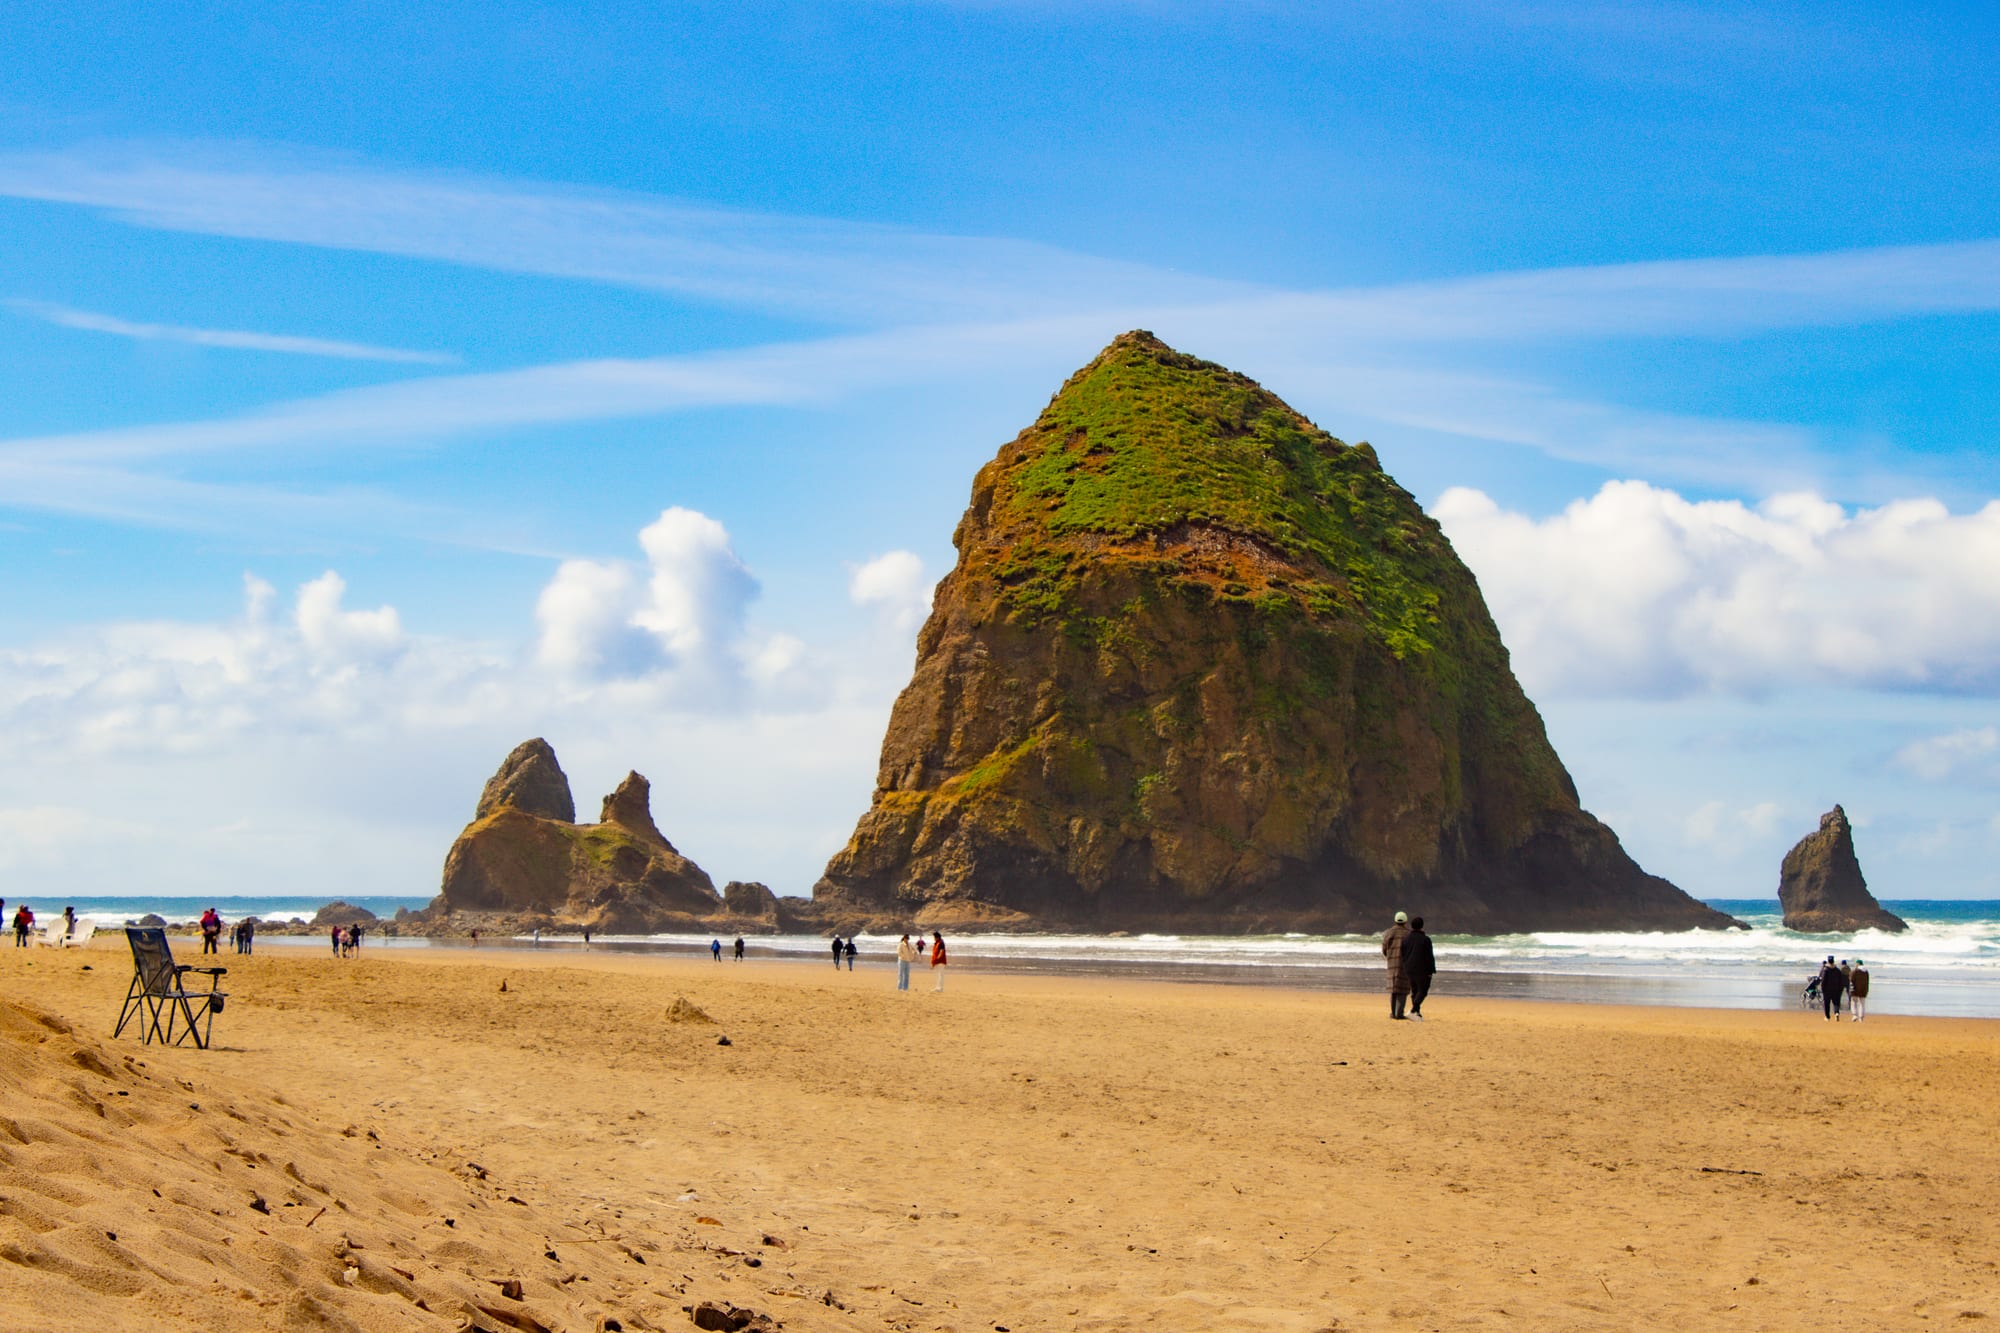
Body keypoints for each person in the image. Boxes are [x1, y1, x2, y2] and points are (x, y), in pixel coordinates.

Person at [1401, 916, 1437, 1021]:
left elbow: (1403, 954)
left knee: (1415, 991)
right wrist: (1431, 970)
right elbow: (1429, 956)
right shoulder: (1425, 940)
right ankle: (1413, 1010)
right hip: (1422, 970)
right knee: (1423, 991)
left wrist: (1405, 965)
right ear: (1422, 926)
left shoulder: (1406, 939)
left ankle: (1417, 1012)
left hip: (1409, 968)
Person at [1382, 911, 1412, 1019]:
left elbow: (1384, 949)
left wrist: (1390, 957)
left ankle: (1393, 1013)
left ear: (1395, 921)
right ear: (1405, 921)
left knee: (1393, 989)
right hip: (1404, 964)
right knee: (1402, 989)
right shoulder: (1408, 933)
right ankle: (1399, 1013)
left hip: (1392, 964)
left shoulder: (1389, 933)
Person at [1818, 955, 1848, 1021]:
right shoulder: (1837, 970)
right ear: (1833, 961)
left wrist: (1822, 988)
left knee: (1827, 1004)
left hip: (1827, 990)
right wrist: (1840, 989)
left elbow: (1823, 980)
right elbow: (1841, 981)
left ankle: (1827, 1017)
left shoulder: (1825, 970)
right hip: (1836, 989)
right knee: (1836, 1003)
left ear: (1828, 961)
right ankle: (1836, 1013)